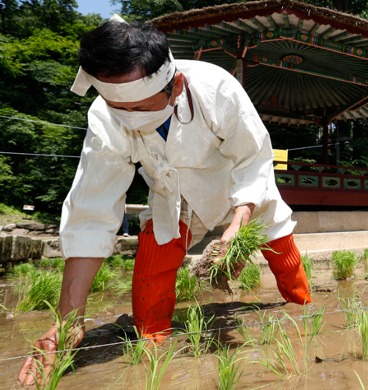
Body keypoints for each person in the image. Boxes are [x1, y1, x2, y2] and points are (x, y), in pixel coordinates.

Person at [18, 15, 311, 386]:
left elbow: (253, 158)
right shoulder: (104, 117)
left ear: (176, 86)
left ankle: (305, 312)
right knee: (150, 282)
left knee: (284, 256)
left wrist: (238, 224)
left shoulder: (215, 87)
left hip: (240, 189)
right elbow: (92, 209)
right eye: (118, 108)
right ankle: (155, 357)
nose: (130, 120)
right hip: (172, 195)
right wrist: (67, 321)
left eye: (141, 109)